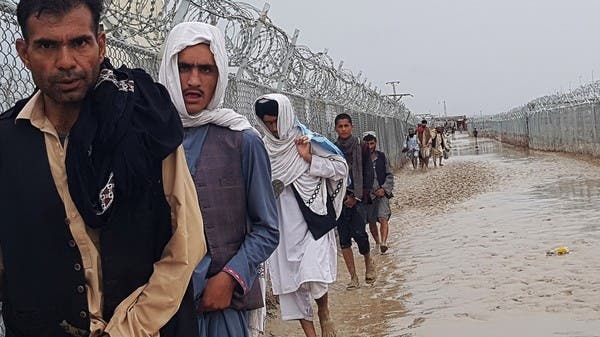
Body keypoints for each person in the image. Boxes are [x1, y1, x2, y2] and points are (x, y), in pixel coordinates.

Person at [0, 1, 206, 336]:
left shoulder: (145, 123)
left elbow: (186, 244)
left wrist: (128, 329)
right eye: (47, 46)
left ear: (101, 45)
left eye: (79, 43)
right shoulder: (7, 142)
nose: (66, 61)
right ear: (23, 52)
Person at [158, 22, 279, 337]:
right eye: (184, 67)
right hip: (158, 308)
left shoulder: (241, 141)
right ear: (169, 69)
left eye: (206, 70)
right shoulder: (148, 139)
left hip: (219, 308)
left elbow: (267, 228)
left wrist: (230, 276)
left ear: (220, 74)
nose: (194, 81)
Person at [254, 94, 347, 337]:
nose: (273, 128)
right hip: (282, 226)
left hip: (312, 221)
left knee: (312, 273)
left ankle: (324, 314)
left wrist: (309, 159)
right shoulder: (262, 148)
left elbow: (340, 168)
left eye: (276, 121)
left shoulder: (308, 140)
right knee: (291, 284)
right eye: (268, 123)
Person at [333, 113, 376, 289]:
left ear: (352, 127)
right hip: (338, 199)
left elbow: (368, 173)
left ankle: (368, 261)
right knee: (343, 239)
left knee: (360, 234)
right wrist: (341, 197)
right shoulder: (332, 148)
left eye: (346, 126)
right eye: (340, 126)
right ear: (336, 128)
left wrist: (357, 196)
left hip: (358, 199)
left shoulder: (362, 147)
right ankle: (353, 277)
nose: (343, 129)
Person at [362, 132, 394, 254]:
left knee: (383, 217)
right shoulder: (361, 158)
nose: (370, 146)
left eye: (372, 143)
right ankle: (377, 242)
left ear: (375, 143)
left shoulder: (381, 157)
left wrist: (384, 189)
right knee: (371, 221)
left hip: (382, 193)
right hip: (368, 195)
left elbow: (389, 174)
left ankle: (384, 243)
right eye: (367, 144)